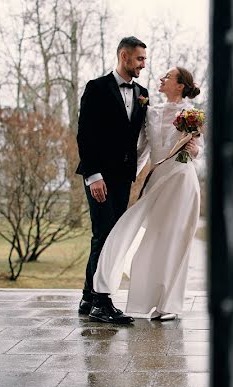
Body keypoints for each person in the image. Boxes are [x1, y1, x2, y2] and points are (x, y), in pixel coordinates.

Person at [93, 66, 202, 322]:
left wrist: (195, 148)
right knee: (146, 235)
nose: (161, 79)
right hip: (157, 182)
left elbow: (198, 152)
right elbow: (143, 149)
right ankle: (111, 286)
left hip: (182, 181)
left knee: (175, 240)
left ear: (180, 85)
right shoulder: (150, 112)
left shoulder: (191, 114)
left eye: (168, 77)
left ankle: (169, 304)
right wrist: (127, 175)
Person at [75, 36, 149, 325]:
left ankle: (87, 296)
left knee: (109, 236)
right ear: (124, 56)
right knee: (104, 234)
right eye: (139, 59)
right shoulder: (96, 88)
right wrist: (93, 176)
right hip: (98, 177)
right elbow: (85, 134)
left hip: (122, 178)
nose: (143, 63)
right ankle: (101, 302)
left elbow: (141, 138)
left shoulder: (142, 93)